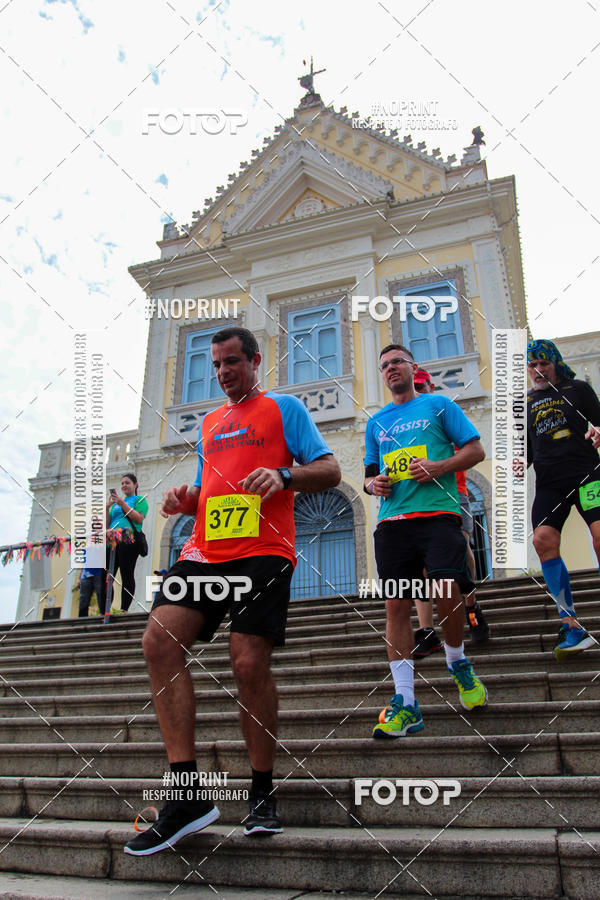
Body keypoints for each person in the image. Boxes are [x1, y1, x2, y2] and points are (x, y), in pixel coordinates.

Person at [125, 326, 340, 856]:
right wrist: (185, 499)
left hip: (264, 551)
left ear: (255, 361)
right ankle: (187, 792)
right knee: (157, 642)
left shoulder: (284, 408)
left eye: (232, 362)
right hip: (204, 550)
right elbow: (209, 489)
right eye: (217, 364)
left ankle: (262, 789)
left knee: (246, 663)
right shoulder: (211, 423)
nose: (223, 372)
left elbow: (331, 470)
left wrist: (285, 476)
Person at [364, 344, 488, 738]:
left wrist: (440, 466)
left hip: (438, 514)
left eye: (396, 362)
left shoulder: (439, 405)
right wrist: (372, 484)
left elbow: (475, 450)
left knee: (447, 587)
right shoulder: (377, 421)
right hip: (392, 523)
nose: (390, 369)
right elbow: (369, 473)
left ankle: (457, 662)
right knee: (396, 606)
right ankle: (407, 702)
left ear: (411, 367)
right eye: (384, 365)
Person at [527, 339, 600, 660]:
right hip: (550, 484)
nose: (538, 370)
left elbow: (598, 421)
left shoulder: (578, 389)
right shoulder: (526, 403)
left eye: (543, 364)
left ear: (554, 363)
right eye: (533, 365)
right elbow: (524, 451)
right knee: (542, 540)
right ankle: (571, 626)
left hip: (586, 474)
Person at [410, 369, 489, 656]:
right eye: (416, 387)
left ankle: (471, 605)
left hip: (453, 493)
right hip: (417, 500)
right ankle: (426, 628)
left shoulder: (444, 410)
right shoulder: (406, 418)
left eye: (423, 386)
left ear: (431, 385)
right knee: (419, 563)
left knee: (463, 549)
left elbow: (471, 450)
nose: (421, 391)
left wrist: (439, 466)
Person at [101, 474, 148, 615]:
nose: (124, 485)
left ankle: (124, 608)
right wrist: (107, 508)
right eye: (122, 483)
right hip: (112, 542)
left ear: (135, 484)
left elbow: (139, 518)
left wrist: (122, 504)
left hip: (128, 540)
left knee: (126, 574)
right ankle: (105, 609)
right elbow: (107, 525)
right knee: (106, 576)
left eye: (127, 482)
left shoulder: (139, 500)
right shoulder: (116, 504)